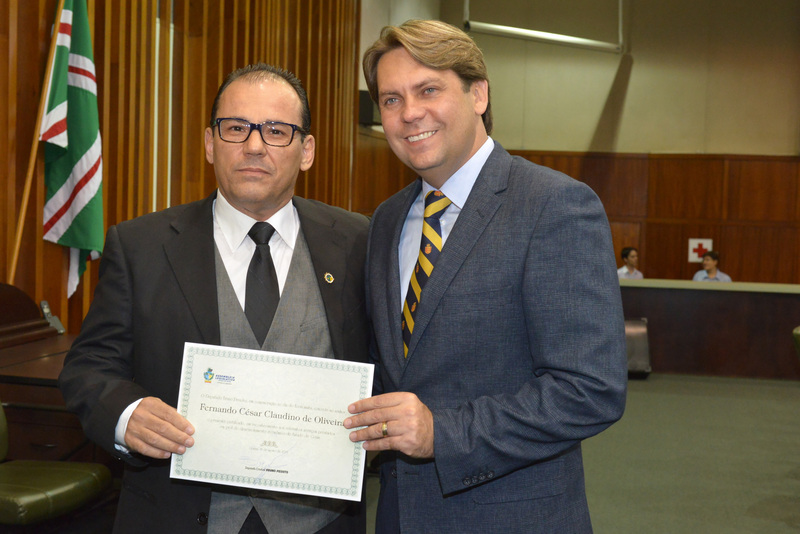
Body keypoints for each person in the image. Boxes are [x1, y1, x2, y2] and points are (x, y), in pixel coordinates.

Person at [343, 20, 627, 534]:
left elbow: (590, 389)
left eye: (429, 90)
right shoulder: (386, 220)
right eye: (391, 99)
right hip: (400, 517)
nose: (409, 113)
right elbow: (393, 373)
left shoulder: (554, 205)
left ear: (478, 94)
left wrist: (443, 433)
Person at [59, 63, 369, 534]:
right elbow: (89, 366)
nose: (254, 146)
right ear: (209, 143)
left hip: (321, 521)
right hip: (178, 516)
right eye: (236, 127)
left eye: (276, 131)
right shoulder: (140, 246)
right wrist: (126, 415)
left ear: (306, 151)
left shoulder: (357, 241)